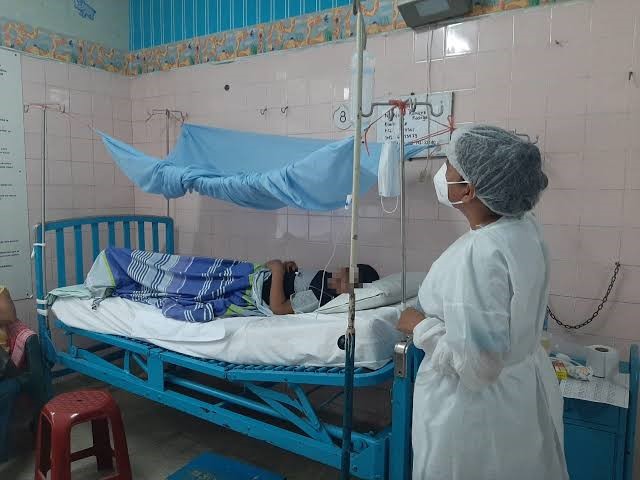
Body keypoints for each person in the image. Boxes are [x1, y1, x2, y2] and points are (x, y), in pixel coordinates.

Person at [397, 125, 568, 479]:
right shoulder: (524, 229)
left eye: (449, 167)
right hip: (518, 396)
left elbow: (478, 367)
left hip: (475, 415)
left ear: (468, 190)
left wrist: (420, 326)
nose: (442, 173)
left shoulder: (482, 253)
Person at [261, 261, 380, 315]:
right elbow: (301, 280)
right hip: (265, 276)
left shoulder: (320, 296)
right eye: (347, 271)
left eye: (347, 281)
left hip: (258, 288)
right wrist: (290, 270)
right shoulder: (327, 278)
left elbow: (278, 308)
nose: (342, 274)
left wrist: (278, 271)